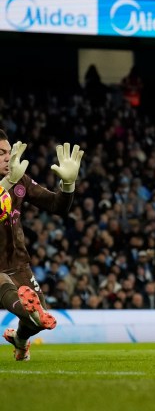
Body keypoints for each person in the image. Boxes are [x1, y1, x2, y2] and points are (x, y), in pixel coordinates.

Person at [0, 134, 84, 361]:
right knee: (5, 285)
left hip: (17, 264)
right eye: (1, 154)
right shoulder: (11, 181)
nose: (8, 158)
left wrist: (68, 185)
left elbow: (57, 207)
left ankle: (19, 339)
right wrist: (6, 184)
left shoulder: (20, 180)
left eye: (9, 152)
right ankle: (30, 309)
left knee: (38, 321)